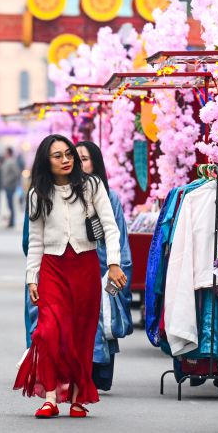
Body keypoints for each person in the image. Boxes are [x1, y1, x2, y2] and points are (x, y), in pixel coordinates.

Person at [13, 134, 125, 419]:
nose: (66, 160)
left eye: (69, 154)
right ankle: (50, 397)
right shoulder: (37, 194)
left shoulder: (91, 186)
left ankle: (76, 398)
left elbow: (110, 227)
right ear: (46, 161)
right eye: (58, 156)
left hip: (85, 266)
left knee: (80, 333)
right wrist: (31, 278)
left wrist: (114, 263)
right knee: (48, 331)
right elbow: (35, 240)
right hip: (52, 268)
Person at [76, 141, 133, 391]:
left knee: (103, 321)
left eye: (84, 159)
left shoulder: (110, 197)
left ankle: (97, 375)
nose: (79, 164)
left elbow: (120, 240)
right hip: (76, 271)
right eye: (75, 158)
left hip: (104, 273)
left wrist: (115, 278)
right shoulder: (64, 194)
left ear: (95, 163)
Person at [1, 147, 22, 228]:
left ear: (8, 153)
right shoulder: (6, 161)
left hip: (10, 186)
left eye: (5, 152)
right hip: (7, 186)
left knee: (11, 204)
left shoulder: (12, 162)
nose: (4, 154)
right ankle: (11, 221)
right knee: (9, 204)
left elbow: (17, 173)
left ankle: (12, 221)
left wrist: (8, 181)